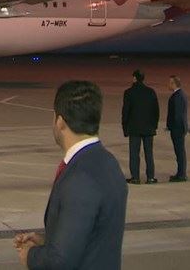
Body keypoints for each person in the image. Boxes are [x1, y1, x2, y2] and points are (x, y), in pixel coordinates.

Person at [14, 81, 127, 269]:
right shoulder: (108, 162)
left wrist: (30, 255)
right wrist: (48, 243)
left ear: (60, 122)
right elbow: (93, 238)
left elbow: (60, 261)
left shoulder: (80, 177)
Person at [122, 69, 160, 184]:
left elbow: (125, 112)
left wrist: (125, 128)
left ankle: (135, 177)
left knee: (134, 154)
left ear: (134, 78)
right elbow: (156, 111)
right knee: (149, 153)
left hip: (134, 128)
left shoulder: (129, 92)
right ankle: (150, 177)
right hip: (149, 128)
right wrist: (154, 125)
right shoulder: (151, 92)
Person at [167, 75, 188, 182]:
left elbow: (177, 115)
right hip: (179, 128)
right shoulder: (180, 94)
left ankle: (181, 175)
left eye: (170, 82)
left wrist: (172, 126)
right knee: (179, 152)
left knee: (180, 152)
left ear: (174, 84)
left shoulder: (177, 96)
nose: (168, 84)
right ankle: (180, 173)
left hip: (178, 129)